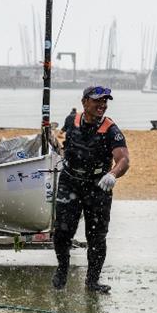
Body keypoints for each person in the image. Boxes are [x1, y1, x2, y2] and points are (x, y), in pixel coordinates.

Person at [52, 85, 130, 294]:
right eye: (98, 101)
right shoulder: (72, 121)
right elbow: (62, 142)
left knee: (96, 236)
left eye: (105, 101)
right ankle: (62, 269)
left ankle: (92, 281)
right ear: (85, 102)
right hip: (70, 181)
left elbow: (123, 159)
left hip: (98, 186)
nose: (102, 105)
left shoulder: (110, 129)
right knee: (62, 232)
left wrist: (112, 174)